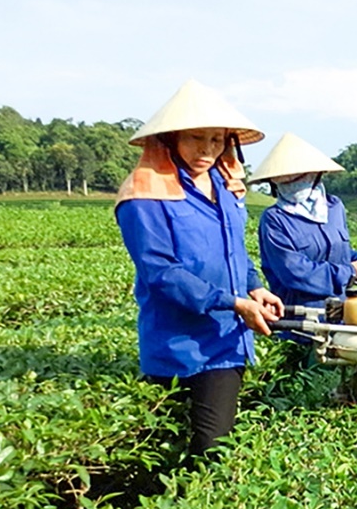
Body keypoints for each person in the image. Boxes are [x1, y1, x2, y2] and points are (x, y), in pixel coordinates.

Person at [114, 79, 283, 462]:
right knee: (180, 452)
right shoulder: (144, 195)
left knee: (210, 448)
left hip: (226, 343)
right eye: (195, 138)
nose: (207, 150)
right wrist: (233, 303)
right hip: (178, 341)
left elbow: (234, 253)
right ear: (170, 139)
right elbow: (160, 271)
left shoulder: (226, 188)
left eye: (217, 140)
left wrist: (255, 287)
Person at [249, 132, 357, 310]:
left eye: (298, 176)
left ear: (316, 175)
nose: (290, 183)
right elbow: (295, 273)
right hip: (299, 318)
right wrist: (349, 272)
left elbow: (340, 252)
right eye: (283, 179)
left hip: (342, 312)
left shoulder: (334, 208)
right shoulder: (275, 220)